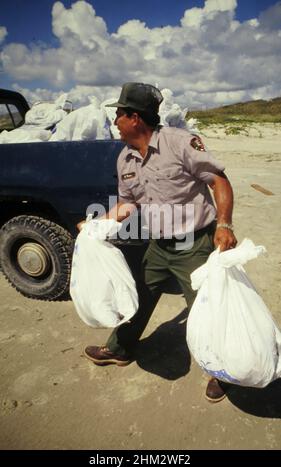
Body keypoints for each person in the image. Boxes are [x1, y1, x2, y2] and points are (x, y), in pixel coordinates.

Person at [79, 82, 237, 403]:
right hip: (159, 246)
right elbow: (126, 206)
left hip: (196, 245)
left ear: (135, 118)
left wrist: (224, 224)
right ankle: (120, 349)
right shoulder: (125, 160)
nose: (115, 121)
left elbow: (218, 180)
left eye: (119, 114)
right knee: (136, 295)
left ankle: (221, 371)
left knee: (208, 309)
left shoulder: (180, 143)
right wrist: (97, 225)